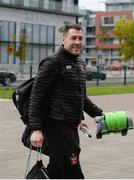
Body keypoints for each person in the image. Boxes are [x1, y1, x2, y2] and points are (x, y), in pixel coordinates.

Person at [29, 23, 103, 179]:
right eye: (73, 38)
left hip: (72, 126)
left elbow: (80, 96)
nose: (77, 42)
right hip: (55, 125)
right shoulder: (52, 62)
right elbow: (36, 97)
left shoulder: (81, 64)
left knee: (57, 169)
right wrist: (36, 128)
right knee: (73, 170)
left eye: (80, 38)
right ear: (63, 40)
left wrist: (95, 115)